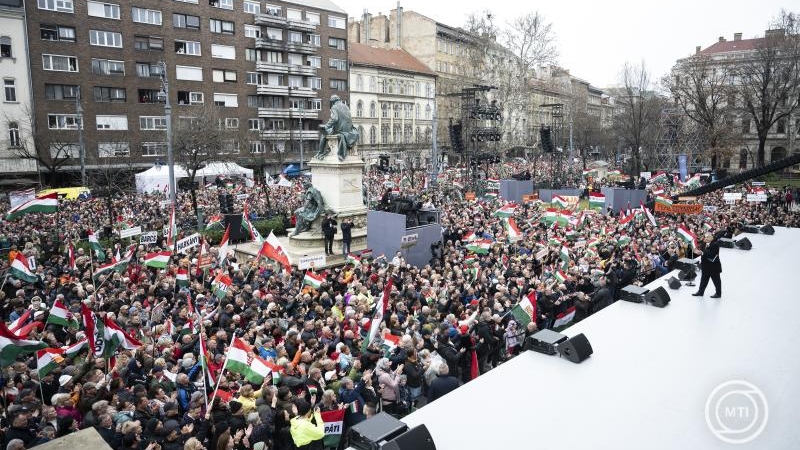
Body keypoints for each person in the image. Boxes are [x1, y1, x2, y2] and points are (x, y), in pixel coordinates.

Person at [693, 232, 722, 298]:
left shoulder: (715, 244)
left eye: (707, 237)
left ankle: (718, 293)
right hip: (705, 266)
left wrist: (701, 252)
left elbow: (711, 254)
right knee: (703, 280)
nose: (705, 238)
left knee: (716, 281)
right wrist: (697, 251)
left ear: (712, 238)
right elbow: (701, 250)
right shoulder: (703, 243)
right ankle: (700, 292)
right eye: (705, 237)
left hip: (713, 267)